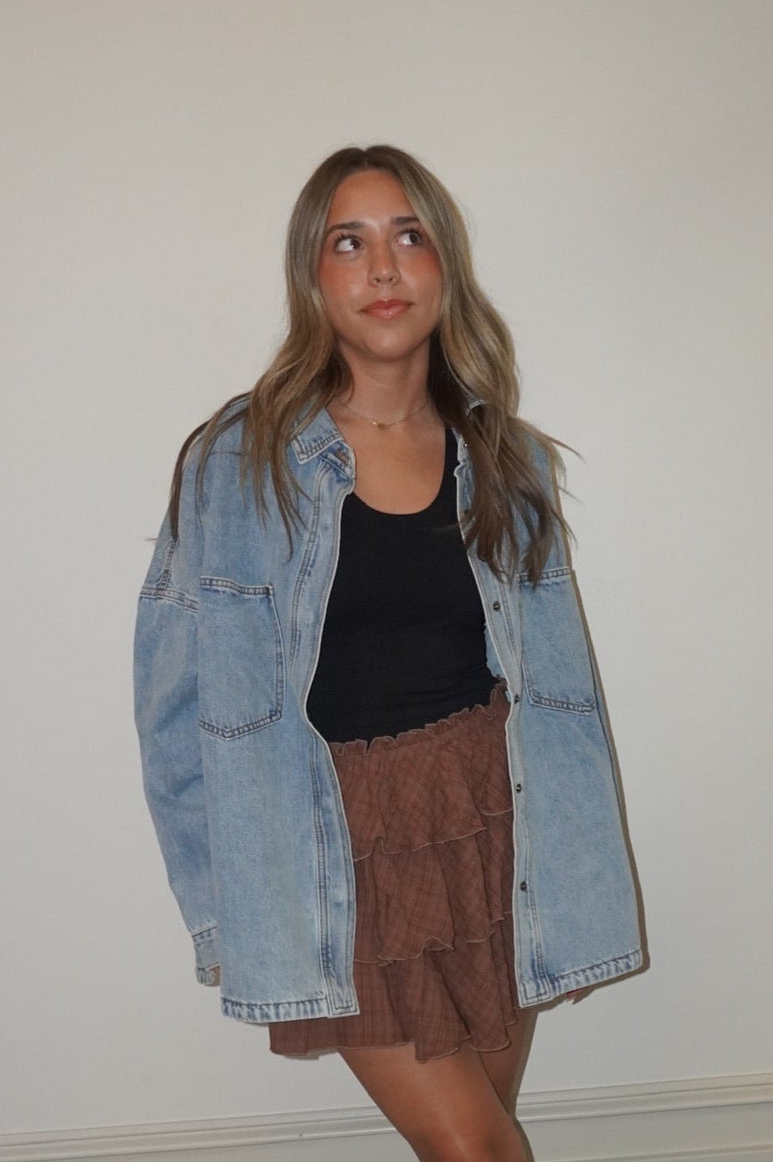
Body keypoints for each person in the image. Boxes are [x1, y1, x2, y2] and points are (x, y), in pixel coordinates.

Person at [134, 145, 643, 1162]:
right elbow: (173, 708)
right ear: (312, 276)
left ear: (443, 265)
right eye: (348, 242)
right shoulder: (237, 461)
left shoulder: (506, 460)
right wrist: (222, 911)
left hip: (493, 819)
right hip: (332, 842)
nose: (381, 267)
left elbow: (558, 692)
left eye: (408, 236)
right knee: (478, 1149)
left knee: (479, 1144)